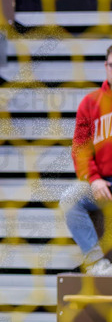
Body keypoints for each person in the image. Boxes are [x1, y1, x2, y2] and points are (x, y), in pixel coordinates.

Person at [60, 44, 112, 277]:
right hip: (102, 184)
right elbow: (80, 150)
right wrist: (93, 179)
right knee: (70, 199)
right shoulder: (90, 103)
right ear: (106, 67)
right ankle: (96, 263)